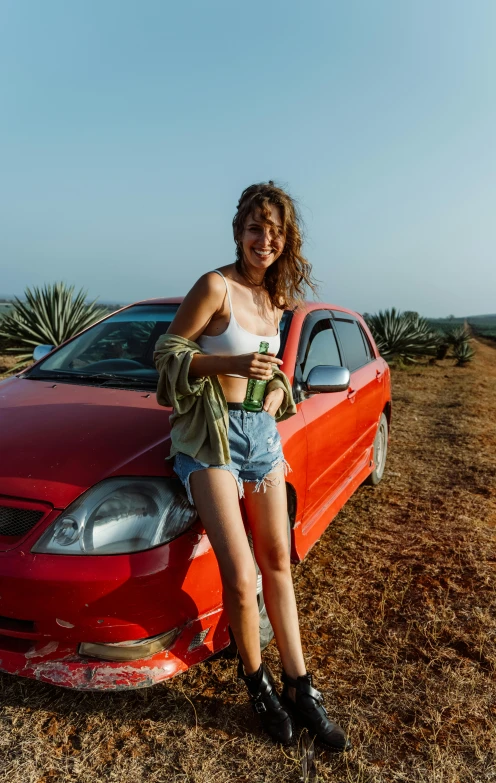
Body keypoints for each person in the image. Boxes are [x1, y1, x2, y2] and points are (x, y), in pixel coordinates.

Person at [154, 182, 350, 750]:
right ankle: (257, 683)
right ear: (238, 231)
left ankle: (301, 686)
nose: (264, 240)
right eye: (255, 228)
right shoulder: (215, 285)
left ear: (286, 241)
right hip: (211, 438)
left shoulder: (275, 299)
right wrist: (231, 362)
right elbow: (167, 354)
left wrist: (274, 389)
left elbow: (272, 371)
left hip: (260, 435)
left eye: (275, 231)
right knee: (241, 577)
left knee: (278, 565)